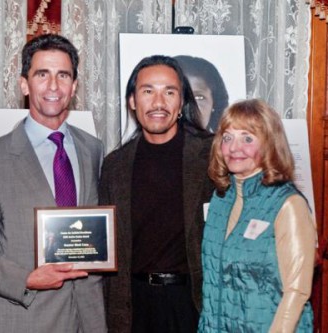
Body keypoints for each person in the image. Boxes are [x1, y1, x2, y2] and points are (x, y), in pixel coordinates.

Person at [0, 34, 106, 332]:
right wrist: (26, 278)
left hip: (88, 319)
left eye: (62, 75)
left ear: (74, 86)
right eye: (42, 74)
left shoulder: (93, 149)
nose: (53, 86)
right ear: (24, 84)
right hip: (24, 319)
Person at [99, 55, 214, 332]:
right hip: (134, 305)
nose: (159, 103)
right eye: (148, 91)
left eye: (169, 92)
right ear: (132, 101)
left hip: (194, 302)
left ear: (182, 102)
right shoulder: (115, 165)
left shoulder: (212, 154)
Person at [199, 99, 315, 332]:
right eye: (227, 137)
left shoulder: (288, 205)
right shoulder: (220, 200)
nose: (234, 148)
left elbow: (297, 291)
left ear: (270, 144)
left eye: (247, 138)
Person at [174, 55, 229, 133]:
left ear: (214, 104)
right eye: (180, 96)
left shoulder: (228, 144)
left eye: (199, 98)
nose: (189, 106)